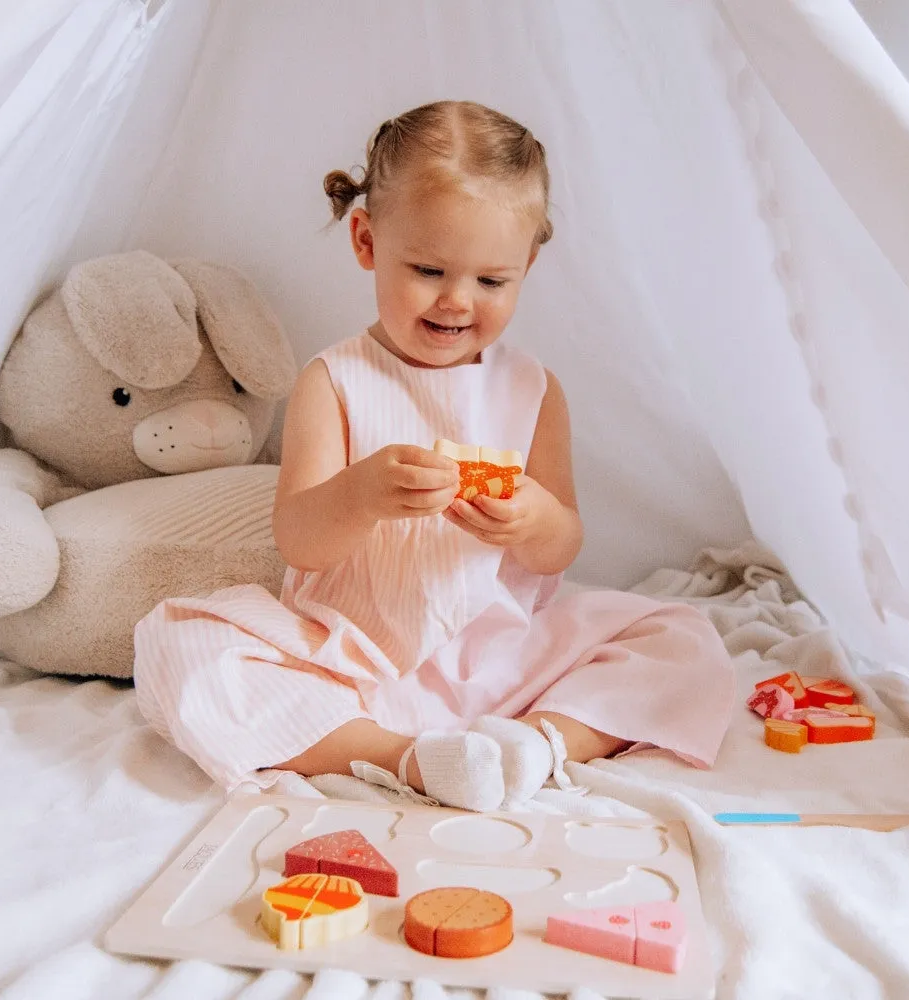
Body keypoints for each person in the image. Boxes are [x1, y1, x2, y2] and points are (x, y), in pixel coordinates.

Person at [134, 100, 734, 812]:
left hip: (504, 656)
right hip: (353, 656)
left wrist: (535, 521)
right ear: (366, 241)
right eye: (427, 269)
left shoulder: (534, 390)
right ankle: (406, 758)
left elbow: (560, 546)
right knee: (177, 645)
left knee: (683, 638)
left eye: (491, 281)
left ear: (528, 265)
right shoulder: (335, 381)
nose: (457, 301)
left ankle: (537, 743)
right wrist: (359, 496)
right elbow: (299, 539)